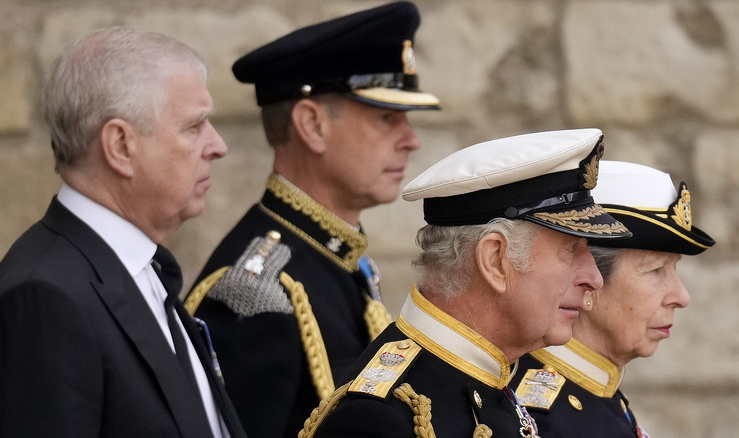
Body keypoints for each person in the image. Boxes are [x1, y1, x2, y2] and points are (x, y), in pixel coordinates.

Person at [183, 2, 441, 437]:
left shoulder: (335, 259)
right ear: (312, 125)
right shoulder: (258, 294)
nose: (411, 140)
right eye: (386, 118)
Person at [0, 27, 247, 437]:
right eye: (194, 126)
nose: (217, 145)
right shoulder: (45, 296)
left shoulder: (141, 266)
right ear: (121, 146)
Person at [296, 128, 632, 437]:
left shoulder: (491, 381)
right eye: (571, 250)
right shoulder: (383, 420)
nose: (594, 278)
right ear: (495, 261)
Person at [510, 161, 716, 437]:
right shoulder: (536, 418)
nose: (681, 297)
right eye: (655, 270)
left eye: (673, 268)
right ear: (588, 282)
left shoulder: (601, 394)